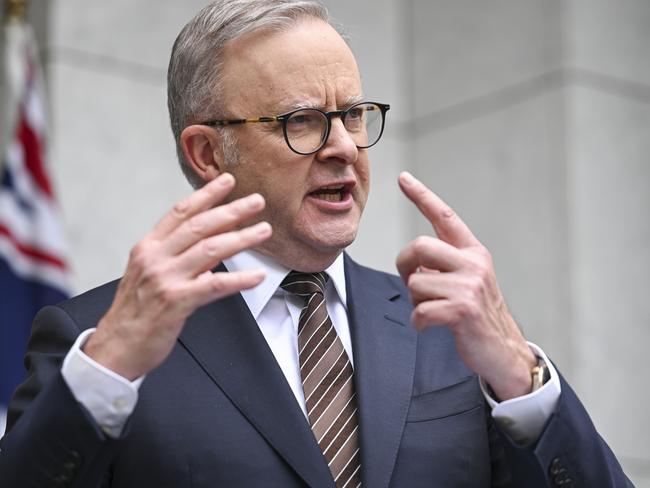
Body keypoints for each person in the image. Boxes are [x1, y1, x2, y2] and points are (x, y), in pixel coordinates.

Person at [0, 1, 631, 486]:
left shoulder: (448, 330)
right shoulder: (99, 341)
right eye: (301, 120)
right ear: (207, 152)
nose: (342, 147)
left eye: (353, 115)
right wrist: (106, 370)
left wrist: (523, 379)